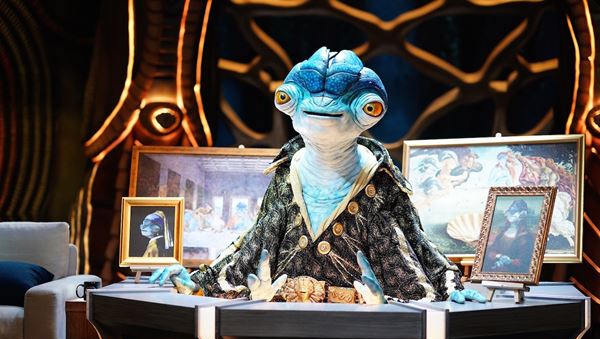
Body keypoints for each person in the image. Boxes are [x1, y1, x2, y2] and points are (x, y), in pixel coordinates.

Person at [151, 47, 485, 305]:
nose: (323, 105)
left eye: (366, 107)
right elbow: (257, 240)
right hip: (284, 316)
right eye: (291, 98)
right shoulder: (287, 174)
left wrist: (450, 286)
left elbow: (415, 242)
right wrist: (199, 280)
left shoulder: (380, 180)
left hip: (364, 323)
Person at [484, 199, 535, 273]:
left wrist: (509, 261)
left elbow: (524, 263)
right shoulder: (503, 232)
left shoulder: (526, 237)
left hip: (513, 273)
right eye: (509, 210)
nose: (507, 213)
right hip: (494, 271)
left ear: (523, 214)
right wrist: (499, 256)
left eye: (513, 211)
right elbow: (491, 251)